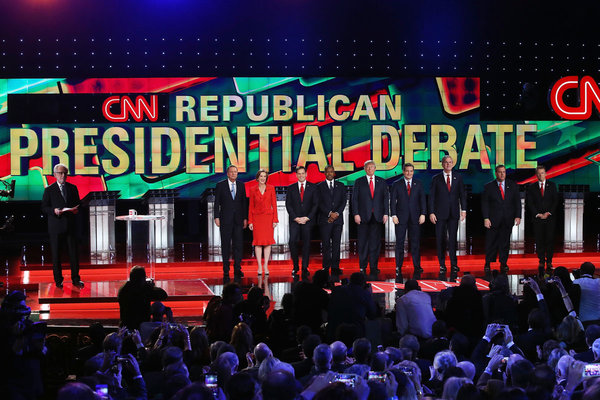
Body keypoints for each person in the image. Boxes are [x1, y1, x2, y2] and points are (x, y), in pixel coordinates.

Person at [41, 163, 84, 289]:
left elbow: (78, 204)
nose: (63, 175)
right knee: (56, 254)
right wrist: (53, 210)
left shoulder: (72, 188)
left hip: (71, 226)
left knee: (74, 254)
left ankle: (76, 279)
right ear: (55, 175)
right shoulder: (49, 190)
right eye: (60, 173)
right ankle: (58, 280)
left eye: (65, 173)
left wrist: (77, 209)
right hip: (56, 226)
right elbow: (44, 207)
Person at [428, 155, 467, 281]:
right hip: (439, 214)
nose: (448, 164)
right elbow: (432, 197)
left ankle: (454, 264)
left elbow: (462, 195)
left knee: (452, 240)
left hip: (454, 213)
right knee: (440, 240)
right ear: (442, 164)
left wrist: (464, 210)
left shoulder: (458, 177)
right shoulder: (436, 179)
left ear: (453, 164)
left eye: (450, 162)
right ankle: (442, 265)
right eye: (446, 162)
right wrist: (431, 212)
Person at [481, 165, 521, 275]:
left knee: (505, 243)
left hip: (507, 219)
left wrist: (518, 216)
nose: (502, 174)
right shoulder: (489, 187)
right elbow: (485, 204)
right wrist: (486, 218)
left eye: (504, 172)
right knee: (491, 242)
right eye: (500, 172)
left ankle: (503, 263)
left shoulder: (512, 185)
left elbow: (517, 202)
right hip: (493, 219)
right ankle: (488, 263)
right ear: (496, 173)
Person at [352, 160, 389, 277]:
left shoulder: (382, 182)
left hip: (377, 217)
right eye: (368, 167)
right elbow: (355, 199)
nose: (370, 169)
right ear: (364, 169)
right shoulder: (359, 182)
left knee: (375, 243)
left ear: (375, 168)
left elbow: (385, 199)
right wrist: (356, 214)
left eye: (372, 167)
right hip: (362, 217)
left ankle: (374, 266)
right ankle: (362, 267)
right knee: (362, 243)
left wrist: (386, 213)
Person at [390, 163, 426, 282]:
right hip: (400, 218)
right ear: (403, 171)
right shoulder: (396, 184)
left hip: (415, 217)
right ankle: (398, 266)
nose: (409, 173)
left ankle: (417, 266)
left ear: (413, 172)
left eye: (411, 171)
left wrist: (423, 214)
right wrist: (393, 215)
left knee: (415, 243)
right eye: (407, 171)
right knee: (399, 243)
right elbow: (392, 201)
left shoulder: (419, 184)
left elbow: (422, 200)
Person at [214, 165, 248, 280]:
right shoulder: (220, 185)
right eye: (231, 172)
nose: (234, 174)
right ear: (227, 173)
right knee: (226, 245)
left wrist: (245, 218)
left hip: (238, 220)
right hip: (225, 219)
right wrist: (216, 217)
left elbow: (244, 203)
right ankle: (226, 269)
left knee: (238, 245)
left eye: (235, 172)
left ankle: (238, 268)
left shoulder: (241, 185)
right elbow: (216, 202)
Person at [285, 166, 318, 278]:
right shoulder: (291, 188)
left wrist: (307, 217)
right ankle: (295, 266)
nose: (301, 175)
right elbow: (288, 205)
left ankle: (305, 267)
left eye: (303, 173)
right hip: (295, 220)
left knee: (306, 244)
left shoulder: (313, 187)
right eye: (299, 173)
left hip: (307, 221)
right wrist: (296, 218)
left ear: (306, 174)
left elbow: (315, 205)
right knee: (292, 242)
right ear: (296, 175)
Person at [526, 165, 558, 275]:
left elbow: (555, 201)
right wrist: (538, 214)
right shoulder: (532, 187)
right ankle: (541, 260)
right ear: (536, 175)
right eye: (539, 173)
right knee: (539, 240)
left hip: (550, 218)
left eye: (542, 173)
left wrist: (548, 213)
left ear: (546, 173)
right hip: (537, 219)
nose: (541, 175)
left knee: (549, 240)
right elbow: (530, 203)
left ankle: (549, 261)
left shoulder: (552, 185)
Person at [316, 165, 346, 276]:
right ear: (325, 173)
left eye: (331, 172)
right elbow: (318, 203)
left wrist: (336, 214)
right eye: (327, 172)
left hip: (338, 220)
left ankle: (335, 266)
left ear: (334, 173)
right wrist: (329, 214)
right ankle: (326, 266)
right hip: (325, 220)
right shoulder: (319, 187)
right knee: (326, 244)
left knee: (336, 244)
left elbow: (343, 202)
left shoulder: (341, 186)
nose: (329, 173)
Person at [117, 265, 168, 330]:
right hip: (141, 327)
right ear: (142, 278)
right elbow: (163, 295)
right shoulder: (144, 289)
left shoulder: (124, 289)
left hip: (125, 326)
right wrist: (151, 286)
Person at [248, 169, 278, 276]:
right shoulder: (252, 189)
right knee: (258, 243)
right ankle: (260, 266)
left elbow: (274, 205)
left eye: (264, 176)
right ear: (257, 178)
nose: (263, 178)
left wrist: (275, 219)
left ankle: (265, 265)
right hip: (257, 219)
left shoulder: (271, 188)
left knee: (267, 243)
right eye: (261, 176)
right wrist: (250, 221)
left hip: (268, 218)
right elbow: (251, 206)